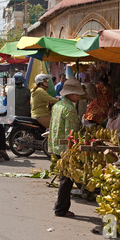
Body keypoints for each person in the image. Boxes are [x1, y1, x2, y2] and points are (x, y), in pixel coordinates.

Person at [49, 79, 85, 217]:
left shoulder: (58, 105)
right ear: (71, 94)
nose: (79, 97)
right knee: (66, 179)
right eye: (77, 94)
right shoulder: (69, 109)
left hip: (56, 146)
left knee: (64, 177)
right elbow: (72, 133)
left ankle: (59, 205)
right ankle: (61, 208)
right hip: (65, 148)